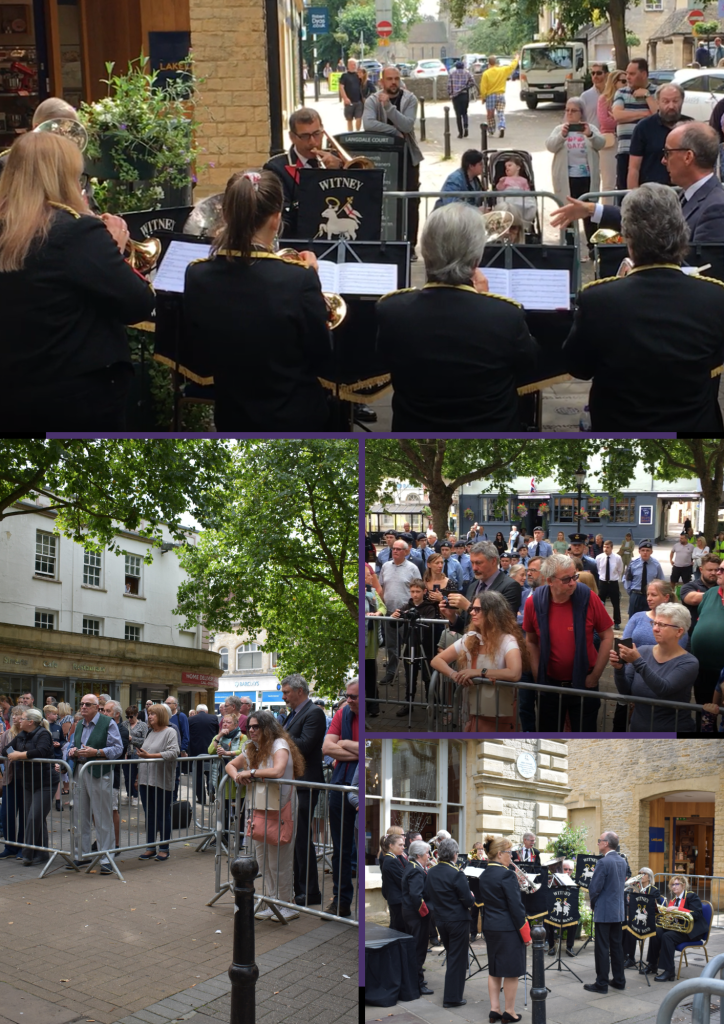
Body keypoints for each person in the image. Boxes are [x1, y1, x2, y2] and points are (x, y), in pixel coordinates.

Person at [0, 132, 154, 430]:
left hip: (13, 392)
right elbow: (138, 304)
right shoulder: (77, 232)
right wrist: (114, 249)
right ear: (64, 178)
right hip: (76, 397)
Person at [563, 183, 724, 431]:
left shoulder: (597, 299)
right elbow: (714, 359)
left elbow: (579, 368)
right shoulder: (714, 296)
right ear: (682, 233)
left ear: (629, 238)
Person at [183, 169, 332, 430]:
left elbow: (200, 354)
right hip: (294, 419)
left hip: (232, 417)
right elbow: (322, 355)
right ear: (276, 219)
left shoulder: (197, 274)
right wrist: (312, 283)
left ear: (225, 215)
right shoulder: (299, 278)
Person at [376, 203, 539, 431]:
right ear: (476, 259)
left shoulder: (392, 310)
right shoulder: (506, 315)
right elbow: (529, 364)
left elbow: (384, 360)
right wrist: (485, 300)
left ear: (425, 252)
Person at [552, 122, 724, 245]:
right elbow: (647, 221)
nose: (663, 160)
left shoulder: (716, 208)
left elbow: (704, 271)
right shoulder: (689, 195)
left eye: (668, 153)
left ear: (688, 157)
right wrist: (591, 209)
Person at [523, 553, 614, 732]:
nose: (573, 583)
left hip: (584, 684)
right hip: (549, 686)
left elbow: (607, 636)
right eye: (566, 579)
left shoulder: (588, 597)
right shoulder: (534, 603)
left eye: (574, 577)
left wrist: (595, 676)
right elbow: (531, 641)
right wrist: (538, 675)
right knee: (549, 737)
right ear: (550, 581)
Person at [431, 590, 526, 731]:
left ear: (492, 613)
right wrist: (455, 675)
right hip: (473, 712)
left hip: (500, 715)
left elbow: (514, 673)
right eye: (472, 609)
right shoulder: (470, 638)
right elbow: (437, 660)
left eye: (477, 609)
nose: (472, 612)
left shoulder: (507, 640)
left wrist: (478, 672)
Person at [363, 65, 423, 255]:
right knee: (382, 200)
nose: (394, 82)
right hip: (382, 158)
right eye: (389, 79)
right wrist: (394, 132)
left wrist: (389, 107)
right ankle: (382, 243)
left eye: (396, 78)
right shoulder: (372, 100)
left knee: (411, 201)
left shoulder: (410, 99)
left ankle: (410, 245)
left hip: (408, 157)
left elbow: (407, 125)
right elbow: (368, 124)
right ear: (382, 81)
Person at [279, 674, 327, 907]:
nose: (283, 697)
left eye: (286, 692)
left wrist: (279, 736)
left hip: (306, 783)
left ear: (300, 691)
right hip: (293, 782)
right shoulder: (294, 714)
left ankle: (309, 892)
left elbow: (305, 745)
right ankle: (300, 888)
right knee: (295, 836)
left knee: (301, 837)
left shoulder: (314, 713)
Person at [612, 603, 698, 731]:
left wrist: (637, 661)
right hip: (638, 730)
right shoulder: (642, 651)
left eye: (662, 625)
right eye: (654, 623)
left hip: (671, 733)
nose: (655, 629)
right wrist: (619, 669)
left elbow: (663, 689)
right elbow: (625, 691)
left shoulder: (689, 662)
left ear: (679, 631)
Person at [263, 107, 344, 236]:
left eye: (317, 134)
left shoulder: (337, 160)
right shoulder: (276, 167)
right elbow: (283, 217)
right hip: (298, 238)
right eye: (305, 136)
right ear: (292, 137)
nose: (312, 142)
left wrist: (338, 171)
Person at [67, 693, 124, 873]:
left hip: (99, 773)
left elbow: (118, 749)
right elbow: (71, 745)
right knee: (80, 815)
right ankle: (82, 855)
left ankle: (106, 858)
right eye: (81, 704)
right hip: (80, 771)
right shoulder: (79, 725)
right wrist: (72, 751)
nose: (83, 707)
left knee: (102, 817)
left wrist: (97, 752)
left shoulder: (108, 723)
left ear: (96, 707)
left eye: (87, 704)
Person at [478, 834, 530, 1022]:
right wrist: (526, 934)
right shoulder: (507, 874)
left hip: (491, 926)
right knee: (511, 971)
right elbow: (516, 907)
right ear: (499, 854)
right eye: (509, 852)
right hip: (508, 929)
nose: (512, 856)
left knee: (494, 969)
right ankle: (509, 1011)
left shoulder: (484, 874)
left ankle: (495, 1010)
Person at [423, 837, 475, 1008]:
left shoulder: (432, 872)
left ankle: (452, 995)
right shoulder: (456, 873)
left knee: (452, 956)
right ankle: (452, 998)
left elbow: (428, 894)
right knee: (457, 959)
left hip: (441, 920)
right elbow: (468, 901)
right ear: (454, 854)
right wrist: (471, 896)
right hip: (457, 920)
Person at [321, 678, 358, 917]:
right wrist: (357, 749)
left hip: (362, 787)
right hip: (339, 786)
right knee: (340, 848)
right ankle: (341, 901)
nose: (348, 700)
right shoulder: (342, 713)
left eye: (354, 696)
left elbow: (372, 749)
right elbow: (326, 748)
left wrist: (343, 744)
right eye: (347, 695)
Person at [546, 97, 605, 244]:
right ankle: (570, 248)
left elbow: (601, 143)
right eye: (567, 110)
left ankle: (593, 249)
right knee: (568, 215)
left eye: (573, 110)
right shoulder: (559, 129)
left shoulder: (590, 128)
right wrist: (562, 136)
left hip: (587, 179)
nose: (569, 113)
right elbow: (550, 146)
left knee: (589, 215)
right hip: (567, 179)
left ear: (581, 112)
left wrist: (590, 135)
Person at [6, 707, 54, 866]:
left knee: (34, 817)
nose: (19, 720)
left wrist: (19, 755)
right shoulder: (22, 735)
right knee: (34, 817)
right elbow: (6, 749)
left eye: (22, 718)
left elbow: (41, 751)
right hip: (28, 781)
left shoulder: (44, 734)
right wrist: (13, 753)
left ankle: (27, 854)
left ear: (30, 722)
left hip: (45, 782)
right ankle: (41, 853)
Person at [444, 541, 524, 636]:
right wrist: (452, 617)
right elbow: (466, 627)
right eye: (472, 563)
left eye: (478, 563)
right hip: (471, 643)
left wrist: (469, 607)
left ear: (493, 561)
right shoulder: (472, 586)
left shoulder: (510, 586)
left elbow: (503, 624)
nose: (474, 568)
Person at [369, 539, 421, 684]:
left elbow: (418, 589)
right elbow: (381, 587)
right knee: (391, 646)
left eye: (398, 549)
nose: (395, 551)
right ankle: (391, 672)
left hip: (406, 614)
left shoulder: (412, 568)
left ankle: (410, 675)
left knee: (409, 645)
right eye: (394, 549)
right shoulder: (385, 566)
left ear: (406, 551)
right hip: (389, 613)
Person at [584, 830, 627, 994]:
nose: (598, 843)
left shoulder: (603, 862)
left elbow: (595, 888)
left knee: (602, 948)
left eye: (599, 840)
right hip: (618, 911)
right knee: (616, 947)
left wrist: (593, 904)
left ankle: (601, 983)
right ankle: (619, 980)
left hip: (604, 910)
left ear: (606, 843)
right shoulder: (622, 861)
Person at [135, 703, 179, 862]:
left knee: (162, 814)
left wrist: (150, 756)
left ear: (161, 715)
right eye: (149, 713)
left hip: (161, 779)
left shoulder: (170, 732)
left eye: (153, 713)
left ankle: (164, 848)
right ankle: (150, 847)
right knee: (150, 815)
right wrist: (137, 778)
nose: (150, 716)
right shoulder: (150, 732)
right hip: (145, 780)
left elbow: (174, 752)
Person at [627, 83, 691, 188]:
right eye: (666, 101)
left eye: (675, 101)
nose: (671, 106)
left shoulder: (690, 126)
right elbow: (634, 168)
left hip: (683, 190)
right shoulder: (644, 127)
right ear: (657, 102)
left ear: (682, 101)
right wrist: (633, 194)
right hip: (651, 190)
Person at [646, 875, 708, 981]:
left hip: (691, 931)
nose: (674, 887)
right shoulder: (674, 900)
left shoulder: (691, 896)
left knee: (667, 937)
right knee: (656, 931)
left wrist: (677, 909)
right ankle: (652, 964)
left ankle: (669, 971)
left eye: (676, 884)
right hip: (679, 929)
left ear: (683, 885)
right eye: (672, 885)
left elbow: (697, 914)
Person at [612, 58, 658, 190]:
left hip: (649, 153)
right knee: (624, 193)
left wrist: (647, 96)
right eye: (627, 73)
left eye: (632, 74)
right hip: (625, 151)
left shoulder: (657, 92)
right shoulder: (621, 92)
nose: (627, 77)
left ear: (643, 74)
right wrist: (645, 114)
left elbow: (659, 116)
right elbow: (617, 115)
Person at [401, 840, 434, 995]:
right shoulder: (415, 870)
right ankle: (417, 984)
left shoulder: (414, 867)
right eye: (427, 853)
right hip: (417, 916)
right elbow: (416, 895)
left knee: (416, 948)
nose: (429, 855)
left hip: (411, 914)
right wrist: (426, 913)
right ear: (419, 855)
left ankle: (416, 979)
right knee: (418, 949)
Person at [689, 563, 724, 706]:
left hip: (722, 670)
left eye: (722, 570)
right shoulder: (711, 593)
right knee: (703, 710)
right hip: (702, 668)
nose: (717, 572)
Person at [623, 579, 687, 649]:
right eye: (648, 595)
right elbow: (624, 643)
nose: (648, 599)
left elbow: (678, 650)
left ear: (666, 597)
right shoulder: (637, 617)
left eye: (653, 595)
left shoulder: (676, 622)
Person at [622, 867, 660, 966]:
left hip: (648, 919)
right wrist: (630, 899)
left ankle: (632, 958)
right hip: (637, 917)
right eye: (640, 873)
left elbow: (657, 906)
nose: (641, 876)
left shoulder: (654, 890)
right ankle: (626, 955)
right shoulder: (635, 889)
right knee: (625, 925)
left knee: (631, 927)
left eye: (644, 874)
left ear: (649, 877)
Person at [598, 70, 627, 196]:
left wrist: (617, 117)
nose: (627, 84)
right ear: (614, 82)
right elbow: (605, 122)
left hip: (625, 141)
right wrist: (621, 118)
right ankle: (607, 207)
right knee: (608, 182)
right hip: (610, 141)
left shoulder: (629, 98)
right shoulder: (604, 99)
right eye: (623, 81)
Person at [480, 54, 519, 139]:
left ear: (489, 63)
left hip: (490, 96)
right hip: (501, 95)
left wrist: (483, 97)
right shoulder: (502, 70)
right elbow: (512, 66)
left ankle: (491, 131)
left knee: (490, 115)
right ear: (496, 63)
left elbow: (483, 87)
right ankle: (501, 126)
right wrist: (516, 59)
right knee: (501, 113)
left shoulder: (486, 73)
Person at [624, 540, 665, 617]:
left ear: (651, 552)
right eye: (643, 550)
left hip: (650, 596)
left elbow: (661, 581)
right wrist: (631, 593)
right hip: (636, 595)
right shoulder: (633, 563)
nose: (645, 552)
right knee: (633, 618)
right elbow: (627, 579)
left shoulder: (656, 565)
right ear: (639, 551)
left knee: (650, 618)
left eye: (647, 550)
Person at [187, 702, 218, 805]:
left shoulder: (190, 720)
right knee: (210, 772)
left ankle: (201, 798)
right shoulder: (214, 718)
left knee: (198, 775)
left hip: (196, 752)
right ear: (207, 711)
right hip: (210, 751)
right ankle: (211, 789)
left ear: (196, 712)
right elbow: (217, 734)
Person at [681, 553, 721, 633]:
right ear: (701, 570)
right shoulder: (689, 586)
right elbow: (693, 599)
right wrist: (720, 594)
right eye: (710, 570)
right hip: (693, 634)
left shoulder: (721, 587)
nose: (713, 573)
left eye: (716, 570)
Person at [545, 858, 577, 955]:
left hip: (567, 909)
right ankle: (551, 946)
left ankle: (569, 947)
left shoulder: (574, 882)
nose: (567, 871)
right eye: (565, 869)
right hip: (554, 909)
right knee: (547, 918)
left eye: (570, 869)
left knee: (574, 918)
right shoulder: (551, 881)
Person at [381, 832, 407, 931]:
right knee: (399, 928)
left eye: (403, 845)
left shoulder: (393, 858)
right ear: (391, 846)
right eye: (400, 845)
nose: (403, 847)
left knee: (396, 926)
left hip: (396, 899)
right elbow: (402, 880)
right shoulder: (391, 860)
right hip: (397, 900)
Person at [596, 539, 624, 628]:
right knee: (600, 603)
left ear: (611, 548)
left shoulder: (617, 558)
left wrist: (614, 577)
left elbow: (620, 570)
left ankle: (617, 622)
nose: (605, 549)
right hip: (602, 583)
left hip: (613, 583)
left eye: (607, 547)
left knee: (616, 603)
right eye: (604, 547)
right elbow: (598, 569)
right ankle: (600, 621)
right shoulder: (599, 557)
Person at [123, 705, 147, 806]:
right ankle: (129, 794)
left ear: (136, 715)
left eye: (131, 716)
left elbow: (145, 741)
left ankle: (136, 795)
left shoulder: (143, 725)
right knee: (127, 776)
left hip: (137, 753)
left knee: (135, 776)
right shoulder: (124, 724)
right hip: (126, 753)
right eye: (127, 716)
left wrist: (132, 739)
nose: (129, 719)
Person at [448, 60, 477, 138]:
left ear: (456, 67)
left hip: (455, 96)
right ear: (463, 66)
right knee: (464, 112)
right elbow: (473, 82)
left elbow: (449, 85)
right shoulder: (467, 73)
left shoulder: (452, 74)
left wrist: (450, 94)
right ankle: (466, 127)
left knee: (458, 115)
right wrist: (466, 87)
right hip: (464, 95)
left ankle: (460, 133)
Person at [339, 59, 364, 131]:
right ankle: (350, 134)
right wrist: (345, 98)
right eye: (353, 64)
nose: (354, 66)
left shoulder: (358, 75)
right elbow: (341, 87)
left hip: (358, 101)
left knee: (359, 118)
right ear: (348, 65)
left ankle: (357, 133)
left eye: (355, 64)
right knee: (349, 119)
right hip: (349, 101)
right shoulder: (344, 76)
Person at [580, 63, 607, 127]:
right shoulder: (585, 96)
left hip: (609, 132)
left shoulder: (612, 94)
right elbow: (579, 118)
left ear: (606, 74)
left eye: (599, 73)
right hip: (591, 132)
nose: (595, 76)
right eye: (593, 73)